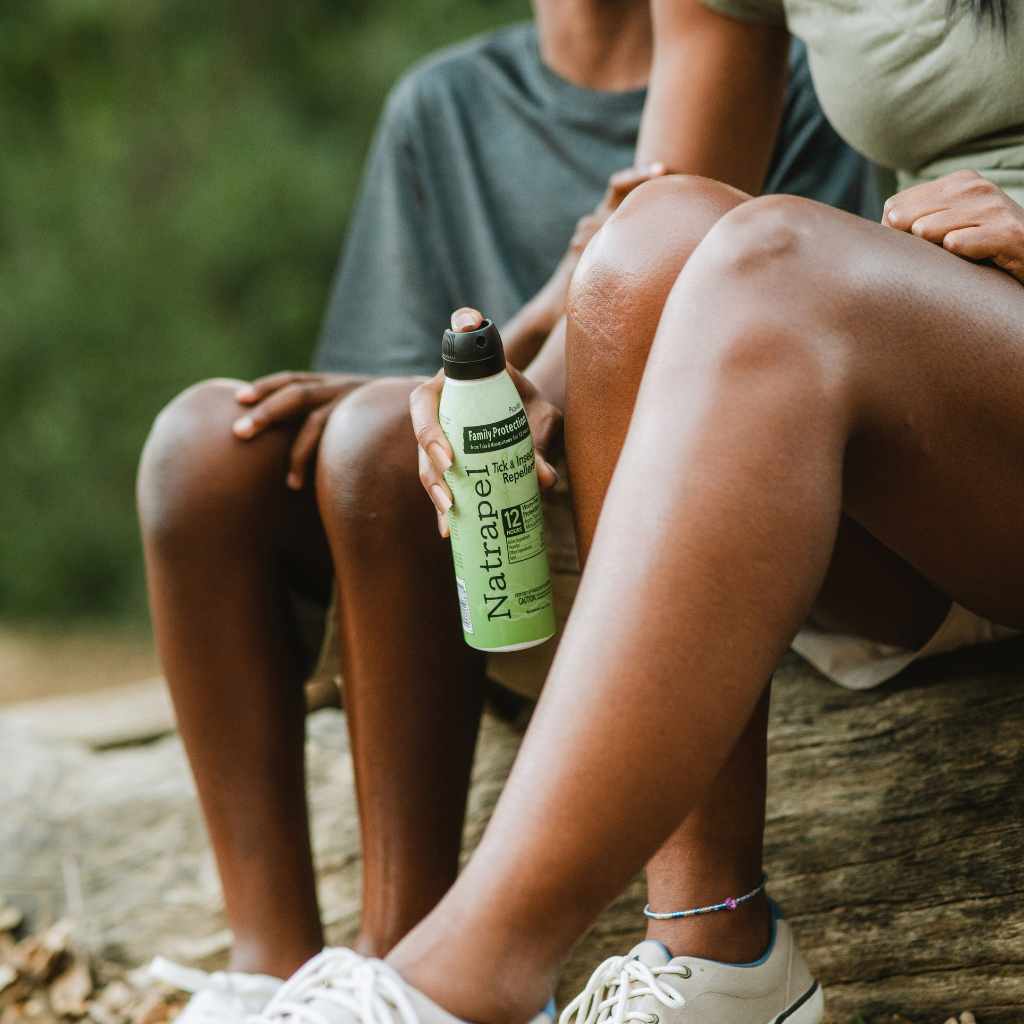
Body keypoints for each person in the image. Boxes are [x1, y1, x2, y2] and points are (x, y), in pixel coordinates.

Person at [235, 1, 1023, 1024]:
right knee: (661, 239)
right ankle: (715, 950)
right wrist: (507, 382)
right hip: (955, 413)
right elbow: (638, 259)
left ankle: (473, 970)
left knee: (774, 259)